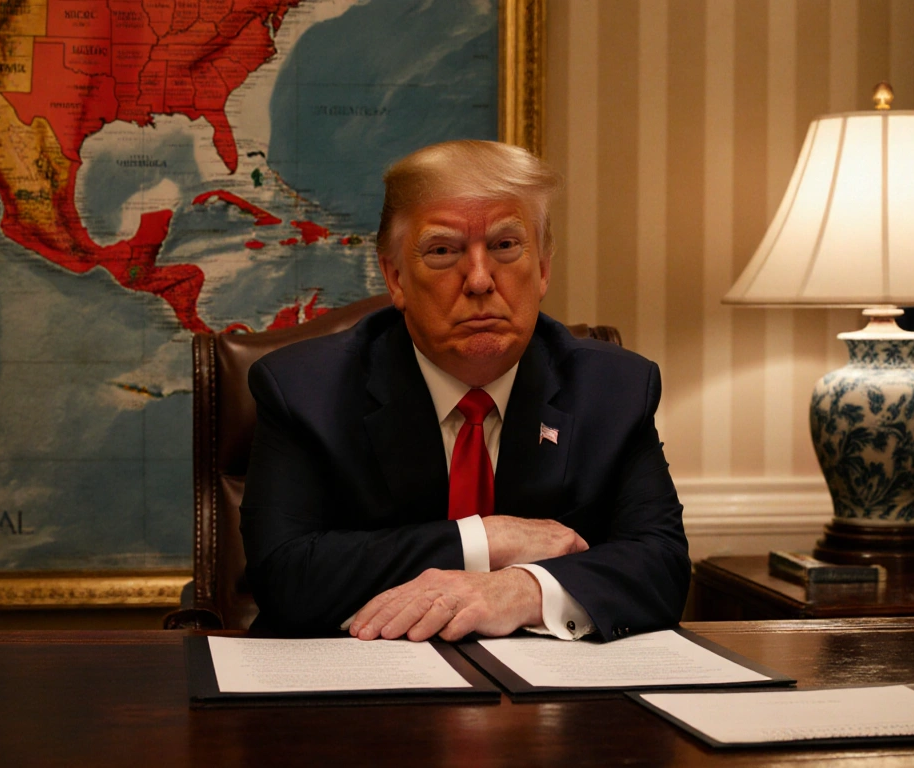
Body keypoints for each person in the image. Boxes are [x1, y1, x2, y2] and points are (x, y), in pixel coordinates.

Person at [240, 140, 690, 643]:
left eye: (504, 246)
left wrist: (522, 588)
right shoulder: (305, 390)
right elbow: (286, 575)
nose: (479, 280)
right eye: (442, 251)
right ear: (395, 277)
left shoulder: (614, 389)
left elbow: (662, 565)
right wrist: (486, 539)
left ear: (542, 268)